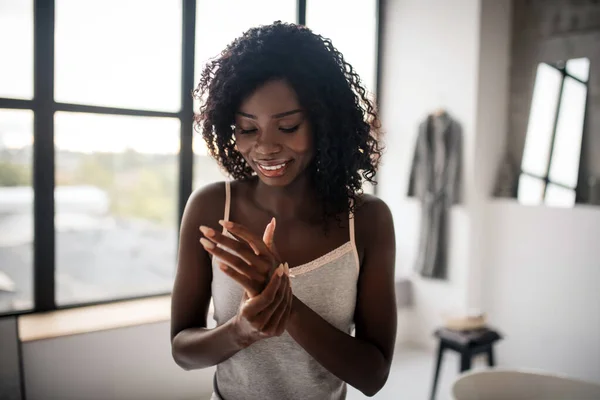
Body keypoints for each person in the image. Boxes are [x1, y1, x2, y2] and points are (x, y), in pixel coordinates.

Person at [170, 21, 397, 400]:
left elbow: (373, 376)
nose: (265, 147)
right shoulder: (211, 208)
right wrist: (240, 330)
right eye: (247, 128)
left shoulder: (368, 221)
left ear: (325, 123)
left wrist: (282, 304)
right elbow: (182, 351)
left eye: (288, 126)